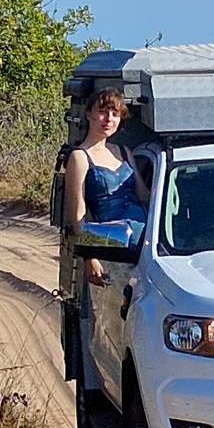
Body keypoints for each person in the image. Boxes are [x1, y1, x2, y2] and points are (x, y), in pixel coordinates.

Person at [63, 87, 149, 287]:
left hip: (148, 245)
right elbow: (78, 215)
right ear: (88, 114)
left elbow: (144, 195)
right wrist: (90, 256)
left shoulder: (124, 151)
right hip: (114, 250)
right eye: (102, 111)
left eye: (115, 113)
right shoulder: (80, 157)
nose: (108, 119)